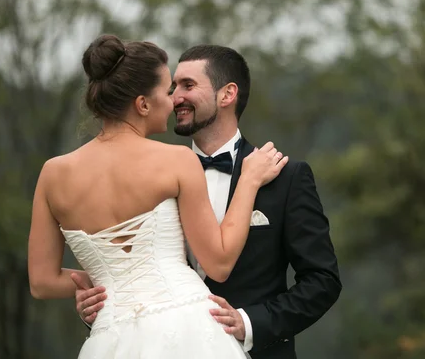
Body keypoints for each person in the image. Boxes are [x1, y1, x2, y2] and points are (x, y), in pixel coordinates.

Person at [27, 34, 289, 359]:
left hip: (111, 337)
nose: (174, 101)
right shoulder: (175, 160)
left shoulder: (53, 173)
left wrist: (101, 282)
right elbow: (218, 263)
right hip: (188, 328)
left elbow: (41, 282)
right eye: (167, 91)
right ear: (143, 104)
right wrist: (248, 181)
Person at [75, 44, 342, 358]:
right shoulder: (150, 179)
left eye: (188, 86)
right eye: (173, 87)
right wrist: (101, 310)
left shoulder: (287, 177)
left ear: (227, 94)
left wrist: (249, 323)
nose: (175, 98)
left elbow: (322, 281)